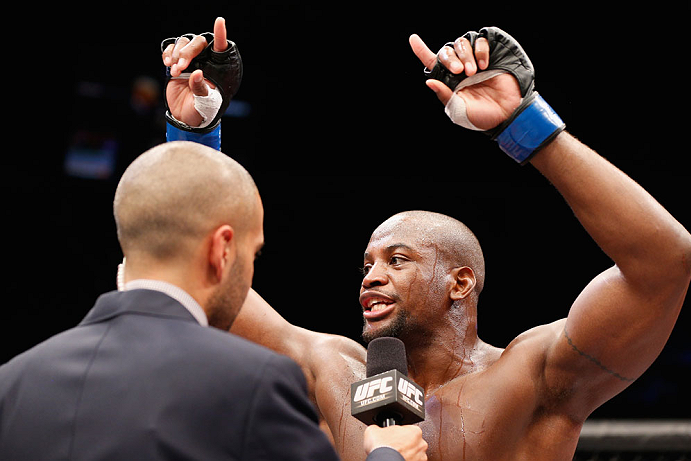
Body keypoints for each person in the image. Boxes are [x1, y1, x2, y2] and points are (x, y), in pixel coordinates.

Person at [159, 18, 691, 461]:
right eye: (366, 263)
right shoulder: (332, 368)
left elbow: (666, 262)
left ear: (461, 281)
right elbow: (192, 277)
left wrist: (525, 126)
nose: (371, 276)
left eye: (398, 259)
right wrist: (194, 132)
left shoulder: (533, 377)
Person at [0, 140, 428, 461]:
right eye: (252, 253)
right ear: (222, 249)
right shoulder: (255, 382)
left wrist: (194, 133)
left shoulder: (12, 382)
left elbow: (186, 196)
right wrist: (388, 456)